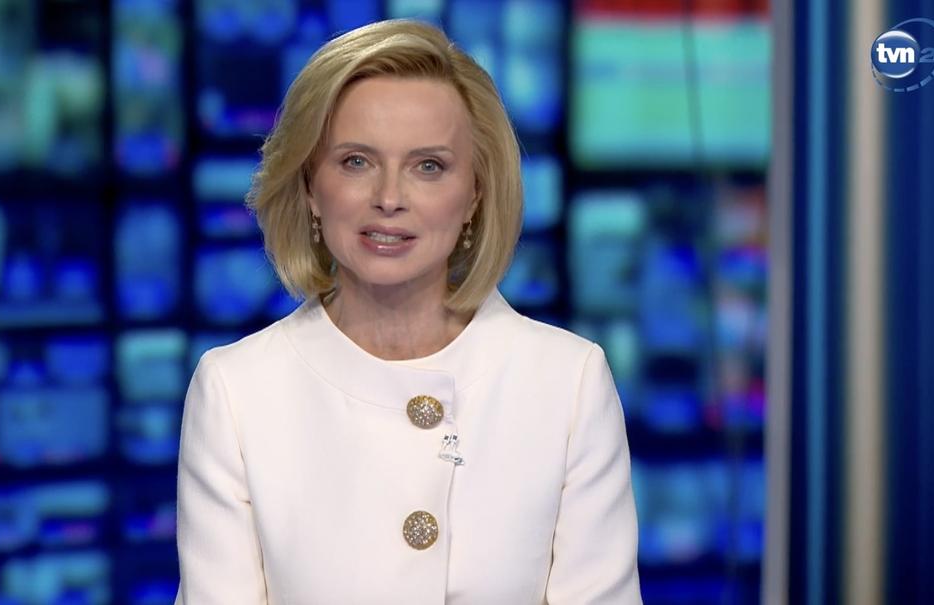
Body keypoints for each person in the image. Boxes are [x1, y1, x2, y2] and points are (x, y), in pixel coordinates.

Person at [174, 19, 640, 604]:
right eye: (356, 162)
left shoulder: (568, 382)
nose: (389, 198)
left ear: (474, 194)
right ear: (310, 186)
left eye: (428, 166)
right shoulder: (236, 392)